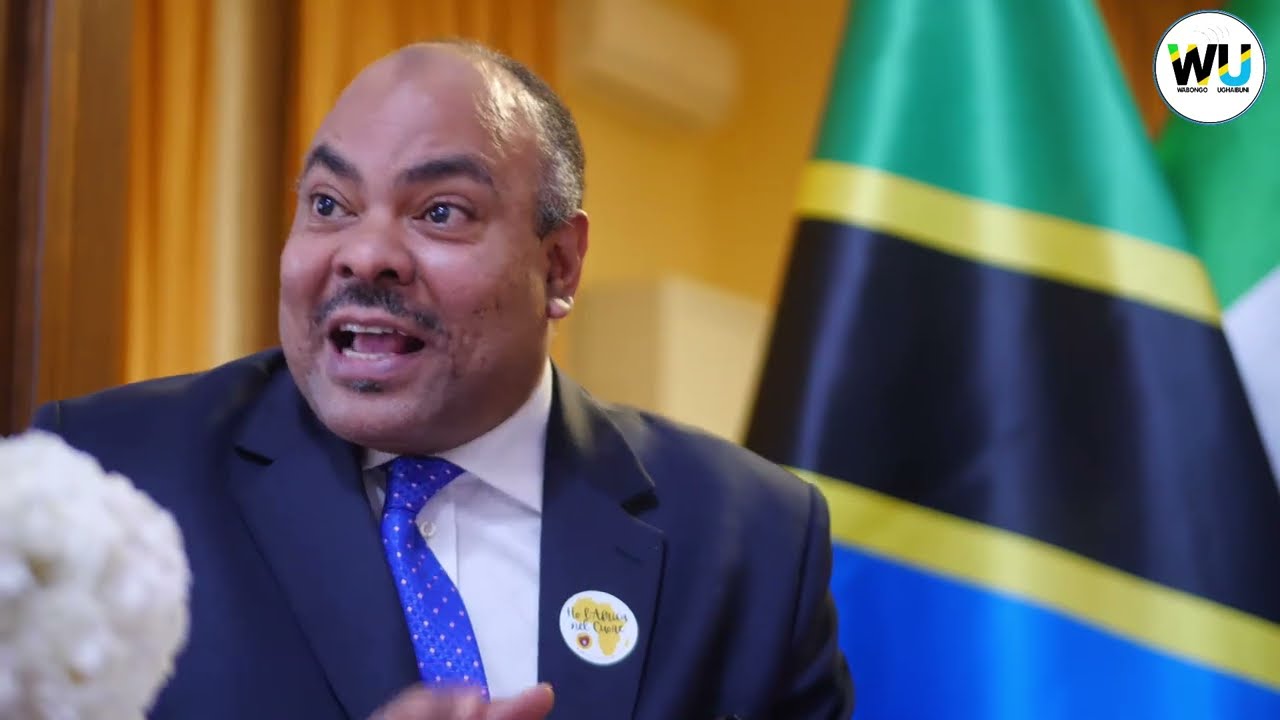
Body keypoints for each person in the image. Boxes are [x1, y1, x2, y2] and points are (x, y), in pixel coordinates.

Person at [30, 41, 854, 719]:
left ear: (559, 264)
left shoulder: (754, 541)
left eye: (440, 213)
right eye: (328, 204)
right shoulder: (103, 477)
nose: (364, 254)